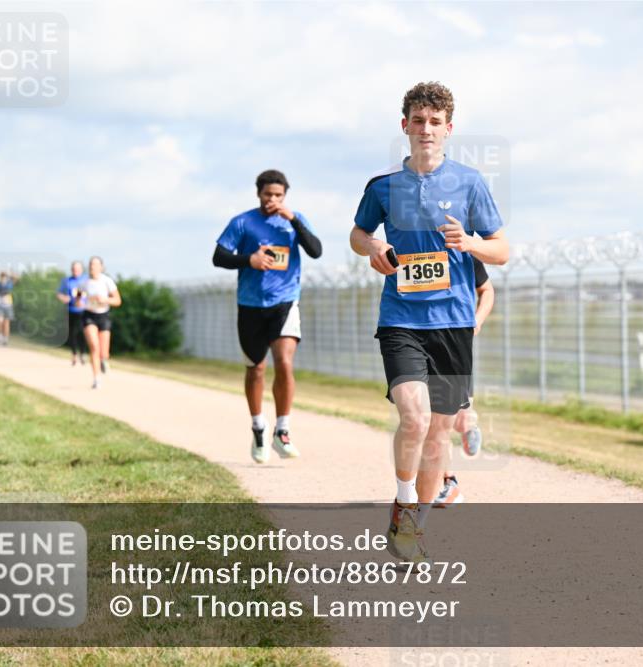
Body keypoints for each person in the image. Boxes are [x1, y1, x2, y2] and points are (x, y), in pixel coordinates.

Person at [349, 82, 508, 562]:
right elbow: (358, 234)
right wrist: (373, 246)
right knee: (414, 418)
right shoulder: (383, 188)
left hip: (454, 322)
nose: (426, 130)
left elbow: (500, 249)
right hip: (401, 317)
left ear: (448, 129)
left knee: (440, 430)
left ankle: (415, 523)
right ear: (405, 126)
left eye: (435, 122)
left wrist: (471, 244)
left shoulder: (470, 182)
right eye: (418, 121)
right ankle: (401, 505)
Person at [213, 169, 323, 463]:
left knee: (284, 363)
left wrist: (294, 220)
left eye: (278, 195)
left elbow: (316, 251)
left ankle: (282, 430)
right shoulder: (242, 222)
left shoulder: (293, 220)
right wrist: (248, 259)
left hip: (284, 302)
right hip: (250, 305)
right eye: (267, 194)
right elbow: (219, 256)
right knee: (256, 369)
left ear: (285, 196)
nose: (272, 200)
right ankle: (259, 426)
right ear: (258, 194)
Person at [433, 257, 495, 507]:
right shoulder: (408, 246)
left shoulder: (463, 251)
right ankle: (450, 484)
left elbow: (487, 290)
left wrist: (477, 321)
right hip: (417, 338)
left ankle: (469, 422)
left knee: (457, 417)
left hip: (456, 341)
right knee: (435, 420)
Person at [81, 256, 122, 389]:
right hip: (89, 315)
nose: (92, 267)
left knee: (103, 352)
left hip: (103, 315)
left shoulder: (107, 281)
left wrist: (105, 300)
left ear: (101, 267)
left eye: (95, 264)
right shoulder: (85, 283)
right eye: (91, 264)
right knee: (94, 346)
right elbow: (78, 300)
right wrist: (82, 301)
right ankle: (96, 378)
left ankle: (104, 360)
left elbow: (117, 300)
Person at [57, 261, 88, 366]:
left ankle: (83, 353)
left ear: (81, 270)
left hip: (84, 311)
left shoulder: (86, 279)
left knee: (83, 333)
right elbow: (59, 293)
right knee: (73, 334)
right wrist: (64, 298)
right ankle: (74, 354)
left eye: (77, 269)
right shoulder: (66, 281)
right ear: (71, 270)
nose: (75, 271)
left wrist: (83, 301)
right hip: (71, 311)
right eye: (74, 269)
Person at [0, 271, 15, 345]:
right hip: (0, 304)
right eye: (2, 276)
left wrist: (11, 275)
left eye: (5, 276)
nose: (3, 278)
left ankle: (6, 338)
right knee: (0, 321)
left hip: (8, 305)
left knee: (6, 323)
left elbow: (16, 278)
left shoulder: (9, 283)